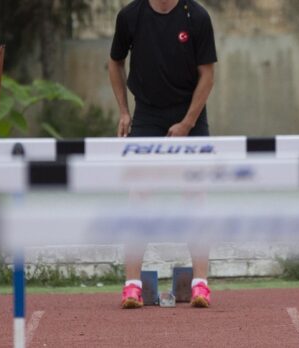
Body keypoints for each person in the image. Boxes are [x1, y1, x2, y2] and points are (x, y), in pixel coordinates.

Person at [108, 0, 217, 308]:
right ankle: (131, 285)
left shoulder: (196, 16)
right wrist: (123, 111)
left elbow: (207, 76)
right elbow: (115, 62)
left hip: (190, 115)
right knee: (139, 195)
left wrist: (187, 123)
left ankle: (200, 284)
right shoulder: (130, 16)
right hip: (147, 116)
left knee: (195, 196)